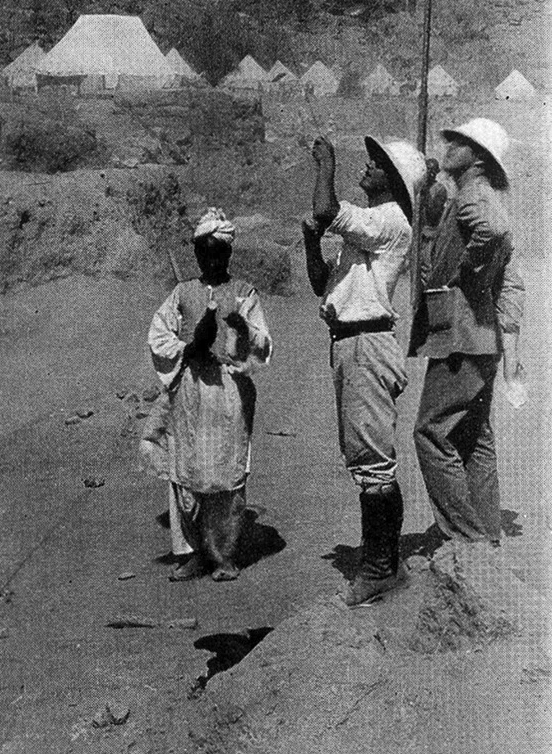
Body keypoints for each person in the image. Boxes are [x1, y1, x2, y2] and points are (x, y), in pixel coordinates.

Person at [302, 134, 426, 606]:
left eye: (378, 164)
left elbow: (328, 207)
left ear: (393, 181)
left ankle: (380, 568)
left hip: (365, 345)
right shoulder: (370, 230)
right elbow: (321, 285)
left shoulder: (392, 221)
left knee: (372, 461)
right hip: (351, 343)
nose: (369, 165)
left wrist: (326, 164)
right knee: (364, 456)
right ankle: (381, 562)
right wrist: (311, 243)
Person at [409, 118, 524, 546]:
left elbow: (490, 233)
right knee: (474, 437)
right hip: (481, 336)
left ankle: (466, 536)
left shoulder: (473, 195)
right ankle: (487, 536)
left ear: (477, 157)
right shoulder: (481, 195)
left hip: (459, 335)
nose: (450, 144)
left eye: (460, 141)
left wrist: (466, 270)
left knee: (430, 431)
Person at [146, 208, 272, 582]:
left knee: (226, 473)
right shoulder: (182, 292)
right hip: (190, 390)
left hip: (229, 391)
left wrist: (239, 325)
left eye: (219, 252)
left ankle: (224, 554)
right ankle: (193, 553)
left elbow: (262, 346)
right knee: (186, 470)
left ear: (229, 254)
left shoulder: (244, 292)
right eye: (205, 251)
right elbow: (158, 335)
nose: (212, 259)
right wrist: (189, 347)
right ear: (197, 253)